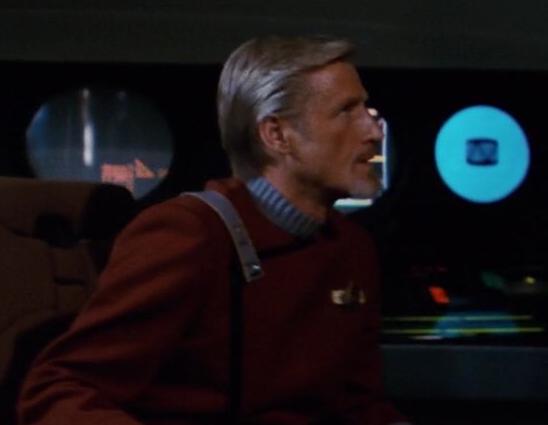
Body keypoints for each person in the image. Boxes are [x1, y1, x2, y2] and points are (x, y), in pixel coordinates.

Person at [17, 36, 411, 425]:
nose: (374, 133)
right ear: (277, 135)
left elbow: (357, 406)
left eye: (366, 109)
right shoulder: (190, 234)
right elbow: (60, 390)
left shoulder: (351, 248)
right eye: (346, 111)